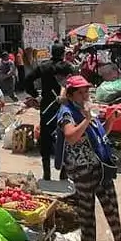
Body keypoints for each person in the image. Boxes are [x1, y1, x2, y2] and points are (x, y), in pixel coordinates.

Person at [55, 75, 121, 241]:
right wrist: (86, 119)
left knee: (111, 202)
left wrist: (111, 120)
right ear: (71, 95)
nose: (85, 95)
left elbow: (98, 134)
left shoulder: (86, 109)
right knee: (87, 207)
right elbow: (71, 136)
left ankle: (119, 239)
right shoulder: (67, 112)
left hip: (100, 164)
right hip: (82, 168)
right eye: (80, 92)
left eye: (87, 91)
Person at [23, 42, 75, 181]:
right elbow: (75, 85)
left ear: (51, 52)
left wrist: (35, 94)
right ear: (63, 53)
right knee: (66, 137)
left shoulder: (44, 66)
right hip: (65, 107)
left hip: (47, 107)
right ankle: (64, 172)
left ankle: (47, 173)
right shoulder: (68, 67)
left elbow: (27, 80)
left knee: (45, 137)